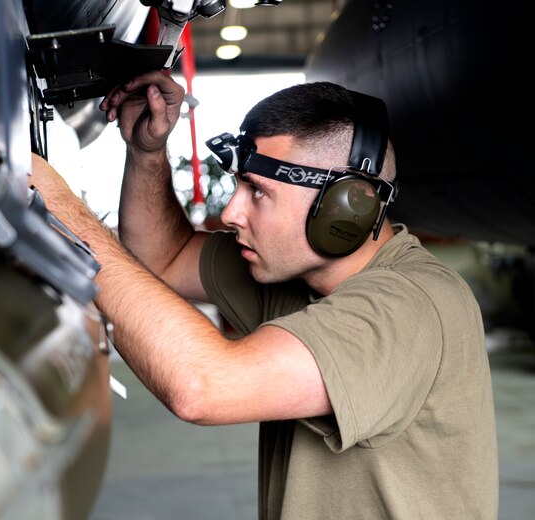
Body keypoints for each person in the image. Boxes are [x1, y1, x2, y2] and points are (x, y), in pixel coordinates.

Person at [29, 71, 498, 519]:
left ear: (345, 208)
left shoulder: (408, 307)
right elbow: (163, 260)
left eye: (257, 192)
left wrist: (63, 208)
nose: (231, 211)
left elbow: (203, 387)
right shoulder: (298, 275)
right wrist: (148, 152)